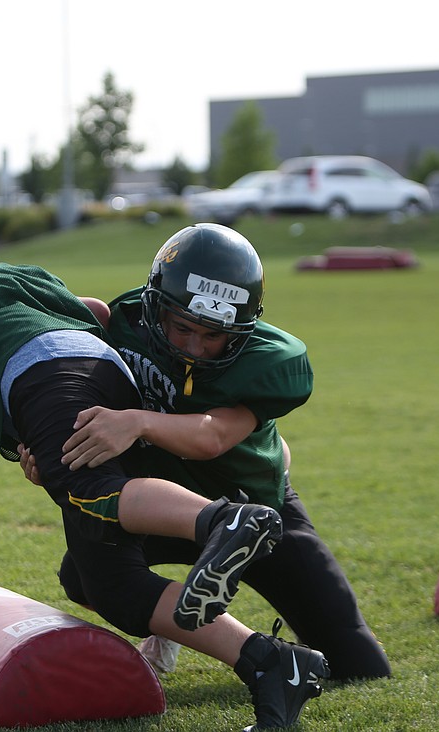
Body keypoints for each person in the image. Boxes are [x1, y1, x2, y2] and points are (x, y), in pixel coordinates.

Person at [0, 237, 329, 731]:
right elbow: (88, 308)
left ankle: (222, 520)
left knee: (93, 493)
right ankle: (269, 663)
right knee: (111, 585)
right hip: (89, 372)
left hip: (49, 376)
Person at [22, 224, 392, 684]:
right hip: (163, 507)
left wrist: (138, 421)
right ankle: (178, 623)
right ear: (157, 307)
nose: (195, 346)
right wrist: (50, 459)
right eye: (183, 328)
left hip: (252, 513)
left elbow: (212, 436)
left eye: (213, 335)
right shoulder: (126, 322)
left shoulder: (273, 359)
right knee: (84, 576)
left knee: (359, 665)